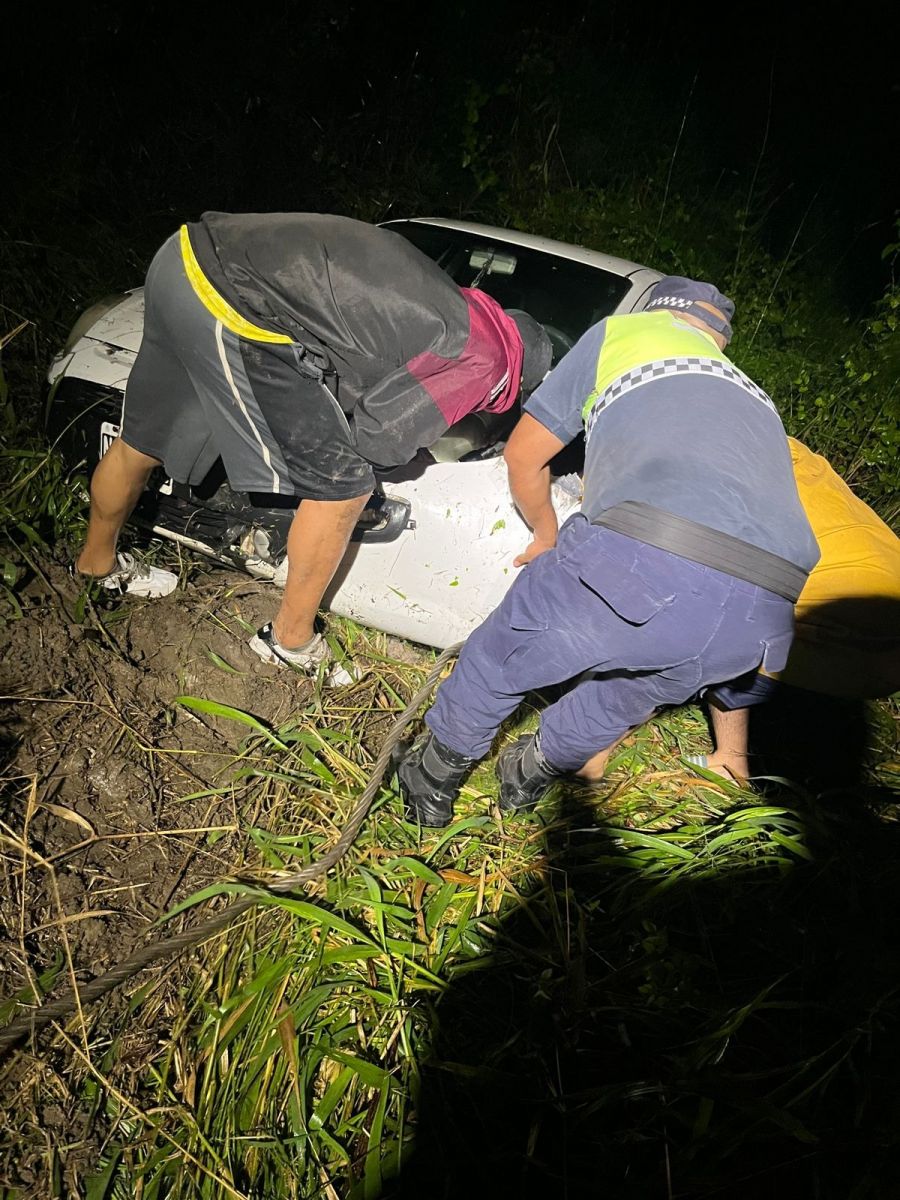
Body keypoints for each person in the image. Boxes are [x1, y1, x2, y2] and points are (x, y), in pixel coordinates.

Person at [395, 275, 821, 827]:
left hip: (656, 552)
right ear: (719, 338)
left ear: (657, 311)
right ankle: (529, 776)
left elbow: (524, 456)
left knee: (505, 656)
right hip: (767, 613)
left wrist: (547, 534)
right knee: (623, 695)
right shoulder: (755, 395)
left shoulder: (625, 334)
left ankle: (430, 782)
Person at [72, 212, 552, 676]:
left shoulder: (446, 304)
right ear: (513, 387)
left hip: (184, 255)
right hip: (236, 300)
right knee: (344, 486)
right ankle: (290, 641)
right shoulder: (489, 356)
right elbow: (377, 441)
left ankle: (96, 565)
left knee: (144, 439)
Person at [687, 437, 900, 781]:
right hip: (888, 597)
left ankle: (730, 761)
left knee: (723, 616)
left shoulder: (711, 467)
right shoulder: (783, 445)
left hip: (838, 611)